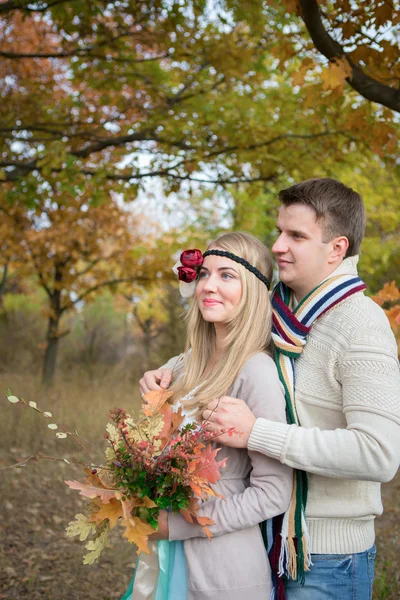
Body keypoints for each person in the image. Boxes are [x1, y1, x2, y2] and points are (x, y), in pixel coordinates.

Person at [141, 178, 400, 600]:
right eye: (280, 231)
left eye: (296, 235)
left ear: (337, 248)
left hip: (326, 557)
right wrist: (167, 371)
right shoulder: (279, 304)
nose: (278, 245)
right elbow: (228, 348)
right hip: (260, 539)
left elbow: (380, 453)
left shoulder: (360, 324)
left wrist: (256, 432)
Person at [125, 232, 293, 600]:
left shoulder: (256, 371)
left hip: (221, 570)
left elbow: (273, 494)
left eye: (226, 275)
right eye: (203, 273)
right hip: (166, 557)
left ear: (252, 289)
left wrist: (177, 526)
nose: (208, 286)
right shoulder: (185, 365)